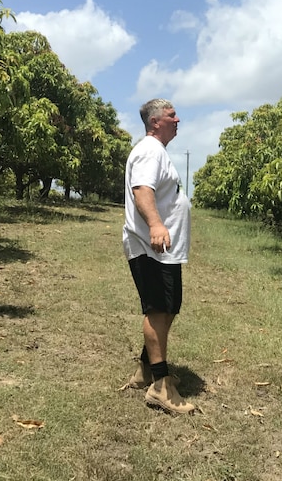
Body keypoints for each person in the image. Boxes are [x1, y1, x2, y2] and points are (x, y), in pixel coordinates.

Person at [122, 98, 194, 414]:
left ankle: (146, 369)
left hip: (164, 249)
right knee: (158, 310)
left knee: (168, 308)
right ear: (155, 122)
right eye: (171, 115)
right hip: (150, 246)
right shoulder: (150, 150)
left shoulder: (157, 152)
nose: (177, 120)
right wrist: (155, 224)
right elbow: (142, 190)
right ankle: (160, 387)